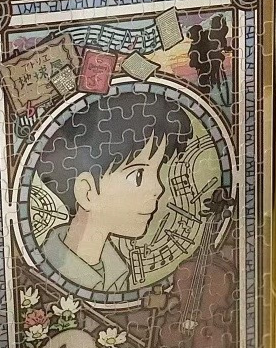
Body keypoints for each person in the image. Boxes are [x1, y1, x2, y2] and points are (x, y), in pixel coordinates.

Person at [37, 89, 192, 292]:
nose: (158, 188)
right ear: (87, 192)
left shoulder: (116, 273)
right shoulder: (47, 271)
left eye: (156, 172)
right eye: (138, 175)